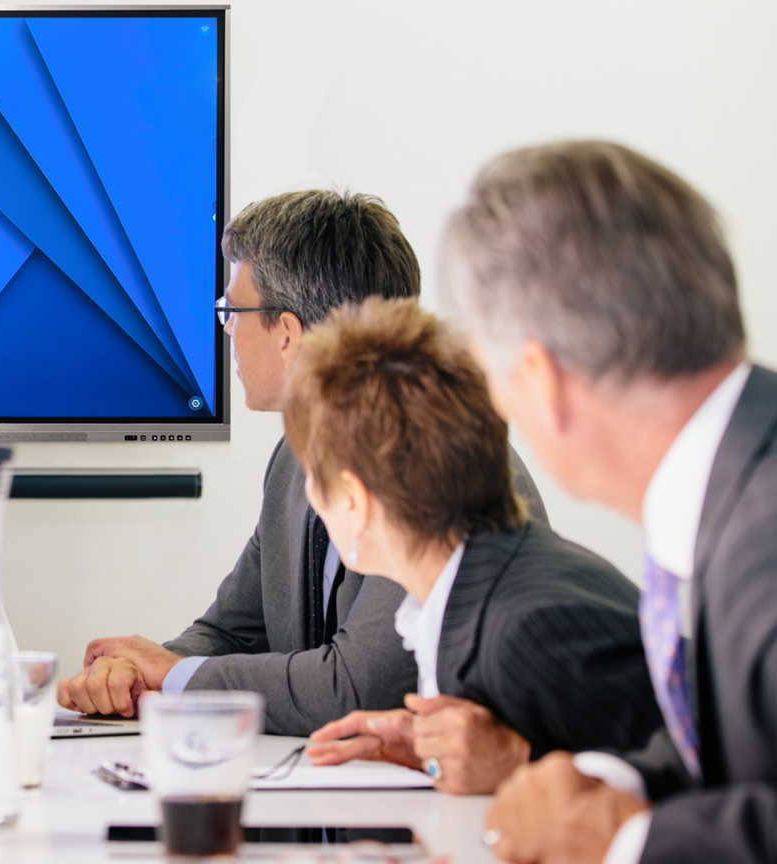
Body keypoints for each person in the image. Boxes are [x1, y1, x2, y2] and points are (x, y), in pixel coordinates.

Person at [56, 190, 550, 736]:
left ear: (287, 334)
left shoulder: (437, 461)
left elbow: (358, 689)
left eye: (230, 312)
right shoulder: (295, 459)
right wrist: (136, 676)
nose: (226, 332)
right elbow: (232, 631)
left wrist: (174, 677)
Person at [437, 141, 777, 864]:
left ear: (540, 380)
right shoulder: (731, 486)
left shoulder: (764, 530)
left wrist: (629, 840)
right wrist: (606, 782)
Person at [279, 297, 660, 795]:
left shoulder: (532, 627)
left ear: (354, 501)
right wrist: (444, 756)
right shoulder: (471, 592)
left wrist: (520, 765)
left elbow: (706, 795)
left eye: (312, 476)